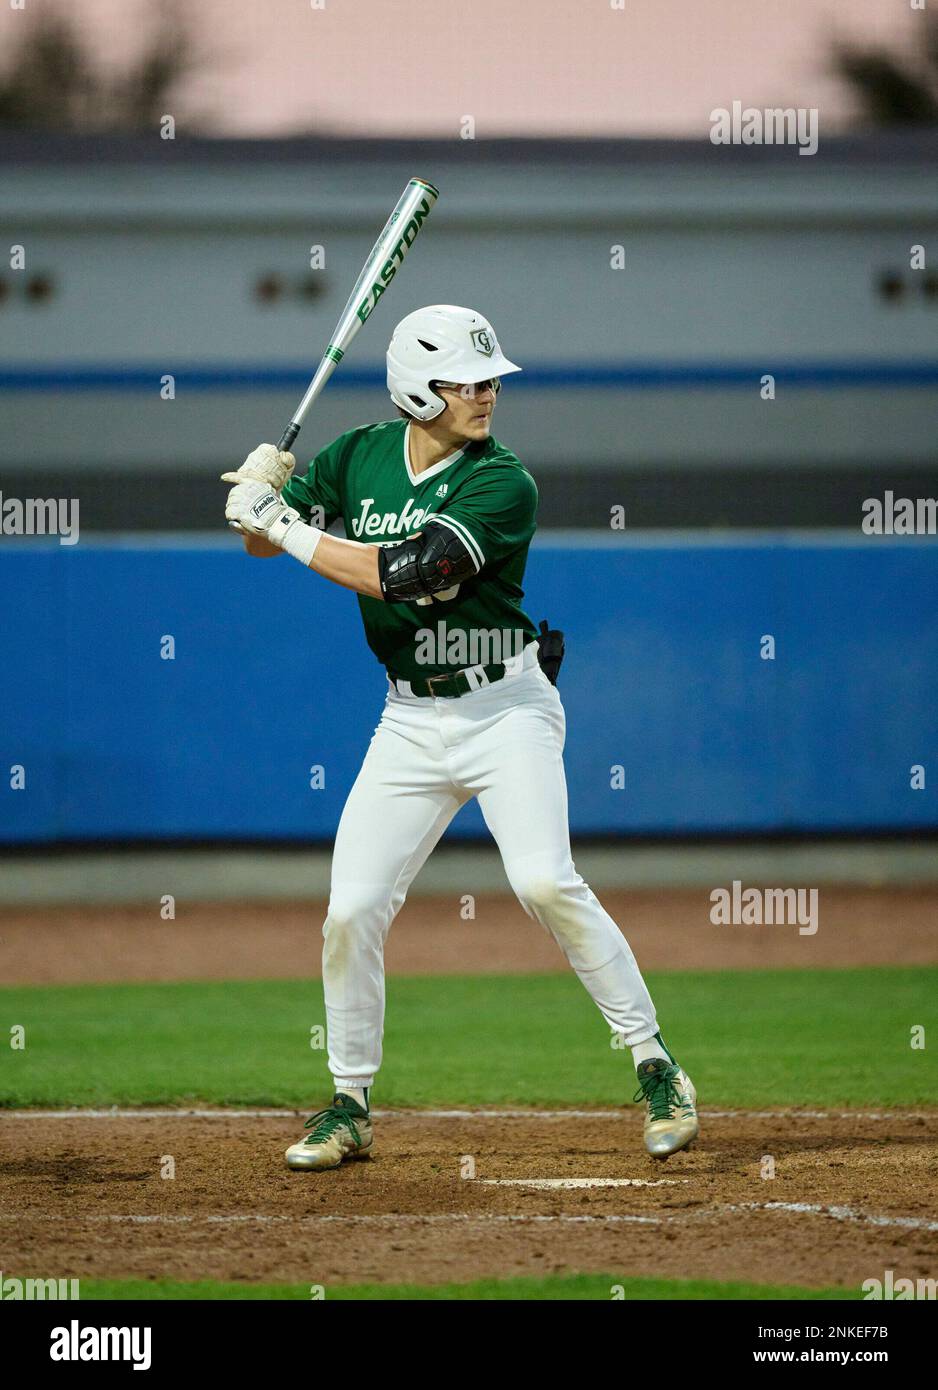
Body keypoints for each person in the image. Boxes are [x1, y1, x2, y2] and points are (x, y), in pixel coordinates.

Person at [222, 304, 698, 1171]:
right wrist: (257, 500)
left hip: (506, 709)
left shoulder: (503, 481)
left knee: (545, 882)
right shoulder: (357, 455)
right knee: (350, 912)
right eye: (466, 382)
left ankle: (657, 1065)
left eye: (490, 380)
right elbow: (261, 547)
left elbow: (408, 575)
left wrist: (282, 524)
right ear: (416, 389)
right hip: (408, 720)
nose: (485, 395)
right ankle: (349, 1104)